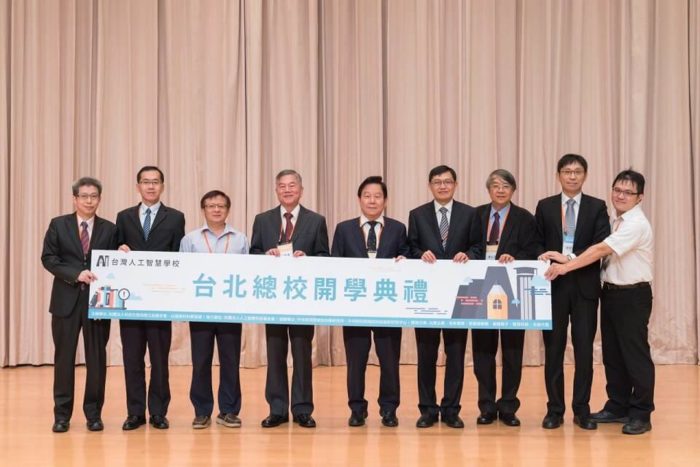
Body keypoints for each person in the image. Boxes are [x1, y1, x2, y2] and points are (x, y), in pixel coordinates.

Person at [543, 169, 654, 435]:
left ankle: (641, 413)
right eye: (617, 190)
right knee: (613, 355)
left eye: (628, 192)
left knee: (635, 356)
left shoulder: (636, 224)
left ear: (640, 197)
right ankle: (618, 405)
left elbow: (601, 249)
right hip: (611, 293)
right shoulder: (618, 220)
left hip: (632, 295)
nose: (621, 196)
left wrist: (566, 264)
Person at [534, 154, 610, 430]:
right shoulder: (545, 206)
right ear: (558, 175)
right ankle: (554, 410)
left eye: (578, 171)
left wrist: (570, 258)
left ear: (585, 175)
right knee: (553, 351)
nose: (572, 176)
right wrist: (544, 256)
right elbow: (536, 241)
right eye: (567, 171)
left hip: (585, 288)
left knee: (584, 351)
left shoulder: (597, 206)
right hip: (553, 287)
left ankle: (582, 410)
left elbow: (601, 243)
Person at [250, 169, 330, 428]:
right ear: (276, 190)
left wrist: (308, 259)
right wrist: (266, 255)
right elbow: (253, 254)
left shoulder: (316, 221)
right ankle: (277, 409)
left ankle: (303, 409)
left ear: (301, 190)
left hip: (302, 298)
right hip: (273, 298)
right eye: (282, 186)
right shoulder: (262, 220)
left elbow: (325, 257)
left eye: (292, 185)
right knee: (275, 354)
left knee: (302, 353)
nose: (287, 190)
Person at [41, 177, 119, 433]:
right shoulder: (58, 224)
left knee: (97, 360)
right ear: (75, 199)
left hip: (98, 303)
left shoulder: (110, 229)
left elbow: (115, 261)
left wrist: (123, 253)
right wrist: (76, 274)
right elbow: (49, 258)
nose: (89, 201)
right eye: (84, 196)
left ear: (99, 199)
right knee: (64, 359)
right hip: (66, 301)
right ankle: (62, 415)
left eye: (93, 196)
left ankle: (94, 414)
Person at [407, 165, 482, 429]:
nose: (442, 186)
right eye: (437, 182)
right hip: (427, 297)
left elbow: (478, 247)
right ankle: (427, 409)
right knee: (426, 355)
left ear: (455, 185)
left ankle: (451, 409)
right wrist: (420, 254)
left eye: (447, 181)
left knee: (456, 354)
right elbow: (410, 247)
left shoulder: (470, 214)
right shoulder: (417, 214)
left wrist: (468, 255)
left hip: (459, 296)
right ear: (430, 185)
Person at [331, 176, 409, 428]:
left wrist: (403, 261)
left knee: (389, 361)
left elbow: (407, 258)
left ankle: (389, 409)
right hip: (355, 306)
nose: (372, 200)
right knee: (356, 362)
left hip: (388, 306)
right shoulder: (344, 229)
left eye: (377, 196)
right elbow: (334, 264)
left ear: (385, 200)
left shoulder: (398, 229)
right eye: (367, 195)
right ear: (359, 199)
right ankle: (357, 409)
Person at [116, 166, 186, 430]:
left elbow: (178, 257)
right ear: (138, 186)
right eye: (145, 182)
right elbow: (115, 252)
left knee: (159, 359)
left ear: (162, 186)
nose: (150, 186)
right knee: (132, 359)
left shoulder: (175, 217)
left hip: (160, 300)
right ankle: (135, 413)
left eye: (155, 182)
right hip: (131, 302)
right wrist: (119, 249)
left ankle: (158, 412)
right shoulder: (123, 217)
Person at [471, 169, 538, 427]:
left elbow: (532, 250)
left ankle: (508, 406)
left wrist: (515, 258)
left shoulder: (525, 218)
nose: (500, 190)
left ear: (513, 190)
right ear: (488, 189)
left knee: (512, 351)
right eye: (496, 186)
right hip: (480, 289)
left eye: (506, 186)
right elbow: (468, 246)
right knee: (482, 352)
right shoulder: (475, 215)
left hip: (512, 292)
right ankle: (487, 406)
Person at [179, 190, 248, 429]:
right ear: (203, 210)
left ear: (228, 210)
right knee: (201, 361)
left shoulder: (240, 239)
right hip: (200, 310)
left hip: (230, 309)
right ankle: (202, 411)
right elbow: (183, 273)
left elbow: (249, 272)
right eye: (211, 206)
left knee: (230, 361)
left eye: (221, 206)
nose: (216, 210)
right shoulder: (190, 239)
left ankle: (229, 410)